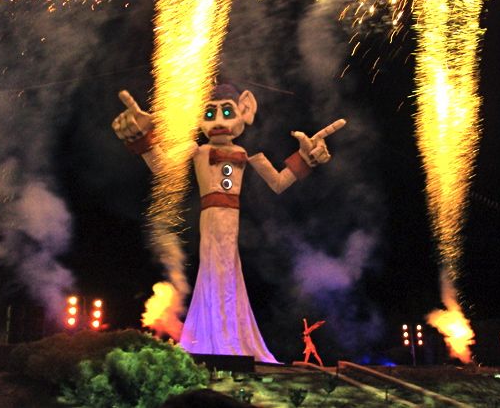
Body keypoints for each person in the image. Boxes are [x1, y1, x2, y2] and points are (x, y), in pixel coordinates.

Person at [113, 83, 344, 362]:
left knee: (226, 269)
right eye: (210, 115)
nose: (219, 121)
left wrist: (307, 159)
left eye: (226, 112)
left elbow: (279, 182)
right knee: (215, 268)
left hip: (229, 221)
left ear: (245, 110)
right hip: (211, 219)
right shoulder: (195, 150)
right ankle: (218, 340)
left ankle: (227, 339)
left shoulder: (246, 155)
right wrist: (141, 137)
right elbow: (162, 167)